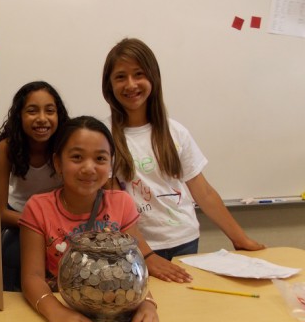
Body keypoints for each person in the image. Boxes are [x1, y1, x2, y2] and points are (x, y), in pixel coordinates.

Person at [102, 38, 265, 283]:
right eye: (121, 77)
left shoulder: (175, 132)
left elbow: (205, 194)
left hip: (184, 241)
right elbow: (113, 206)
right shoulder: (103, 137)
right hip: (136, 246)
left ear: (153, 78)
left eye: (139, 74)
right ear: (109, 85)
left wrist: (240, 239)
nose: (131, 84)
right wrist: (146, 254)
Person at [19, 116, 159, 322]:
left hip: (118, 319)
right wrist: (57, 314)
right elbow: (31, 277)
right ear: (57, 163)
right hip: (65, 309)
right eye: (76, 157)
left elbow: (136, 265)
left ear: (110, 164)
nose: (89, 168)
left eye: (100, 158)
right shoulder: (38, 207)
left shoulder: (121, 203)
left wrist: (147, 303)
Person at [0, 81, 70, 291]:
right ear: (19, 115)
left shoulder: (66, 144)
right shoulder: (6, 148)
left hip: (61, 220)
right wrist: (41, 226)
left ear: (59, 115)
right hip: (19, 217)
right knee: (13, 255)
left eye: (50, 111)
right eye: (32, 111)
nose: (42, 119)